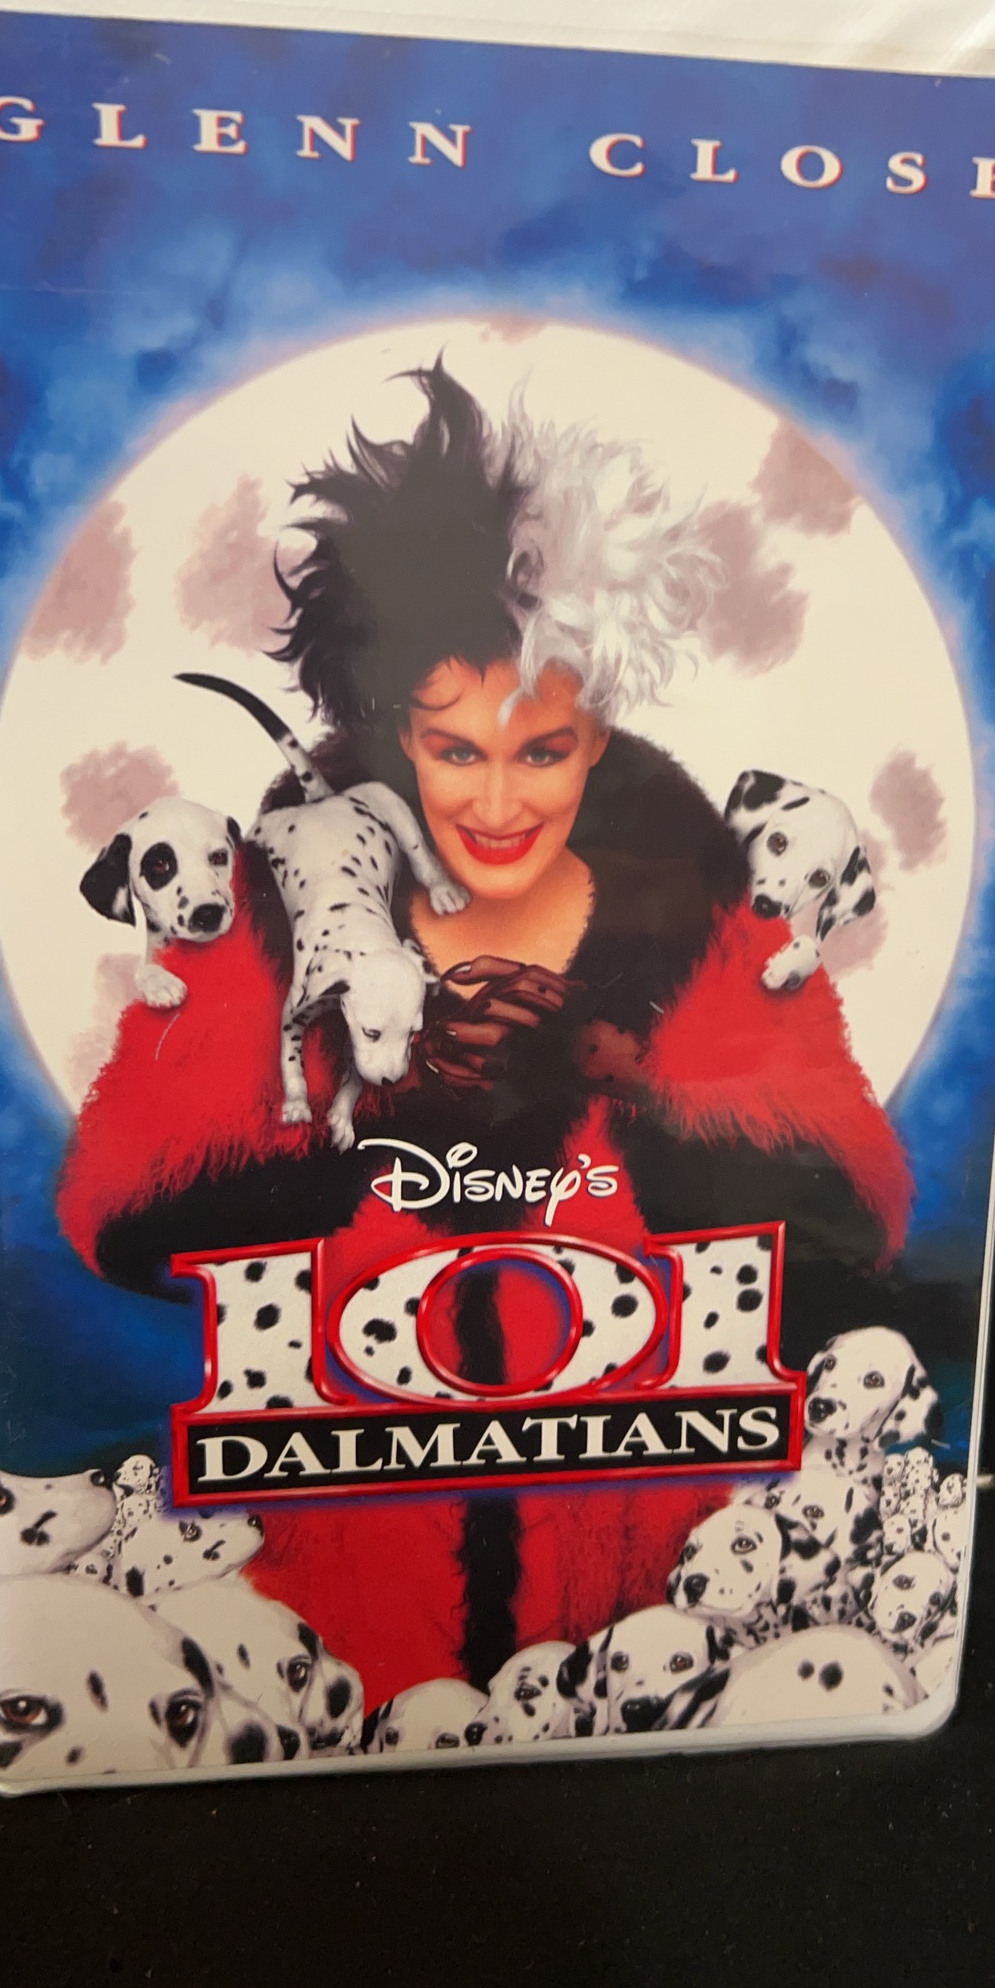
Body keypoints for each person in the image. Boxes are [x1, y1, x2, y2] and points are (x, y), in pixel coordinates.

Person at [58, 362, 921, 1700]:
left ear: (597, 736)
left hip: (643, 1646)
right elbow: (122, 1215)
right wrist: (377, 1109)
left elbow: (854, 1218)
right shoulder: (263, 917)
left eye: (543, 749)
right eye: (456, 750)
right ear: (394, 735)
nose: (501, 804)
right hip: (332, 1637)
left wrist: (615, 1082)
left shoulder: (719, 930)